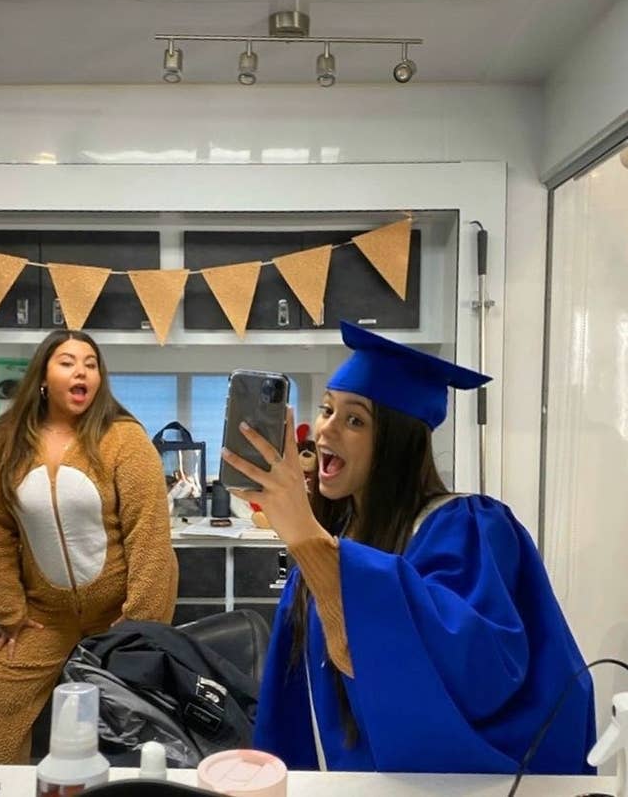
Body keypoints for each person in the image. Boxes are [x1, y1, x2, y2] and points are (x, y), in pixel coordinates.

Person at [222, 321, 595, 774]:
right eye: (326, 410)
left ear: (397, 441)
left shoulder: (467, 527)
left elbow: (475, 672)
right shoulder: (334, 542)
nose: (325, 431)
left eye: (354, 419)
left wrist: (307, 537)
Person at [0, 329, 179, 764]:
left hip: (117, 618)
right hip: (45, 619)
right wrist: (8, 611)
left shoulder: (123, 438)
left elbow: (150, 535)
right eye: (67, 362)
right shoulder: (4, 441)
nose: (81, 371)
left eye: (90, 364)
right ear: (43, 377)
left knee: (132, 718)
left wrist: (140, 619)